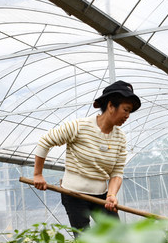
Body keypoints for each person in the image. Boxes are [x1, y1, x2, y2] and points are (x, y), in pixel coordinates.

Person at [32, 80, 141, 231]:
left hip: (102, 196)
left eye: (130, 111)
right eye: (126, 110)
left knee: (116, 237)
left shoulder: (120, 138)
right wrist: (38, 174)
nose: (128, 115)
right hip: (73, 194)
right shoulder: (78, 127)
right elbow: (45, 142)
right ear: (110, 106)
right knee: (84, 239)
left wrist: (111, 195)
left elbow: (117, 171)